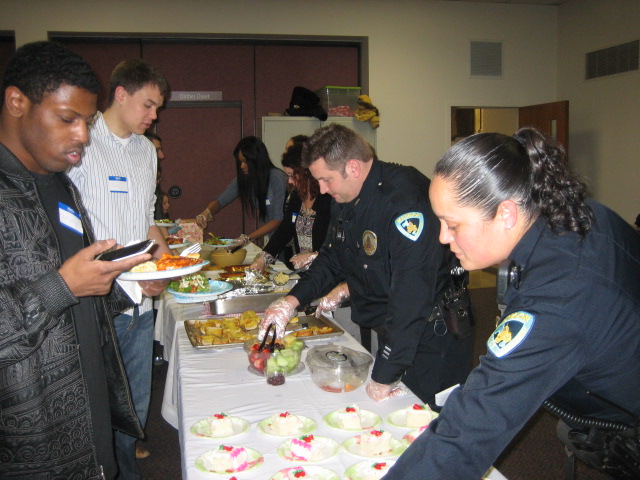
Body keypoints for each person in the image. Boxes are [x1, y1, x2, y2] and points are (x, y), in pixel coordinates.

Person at [385, 128, 640, 479]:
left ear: (506, 214)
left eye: (453, 224)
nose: (443, 237)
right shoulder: (578, 214)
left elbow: (474, 424)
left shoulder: (560, 298)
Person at [0, 41, 152, 479]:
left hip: (91, 424)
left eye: (86, 121)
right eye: (67, 119)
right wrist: (61, 287)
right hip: (32, 447)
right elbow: (62, 288)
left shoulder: (62, 187)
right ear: (17, 102)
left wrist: (124, 283)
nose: (83, 136)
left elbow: (82, 294)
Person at [258, 124, 474, 405]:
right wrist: (290, 301)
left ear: (353, 168)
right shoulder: (347, 195)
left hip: (431, 334)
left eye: (326, 180)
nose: (321, 190)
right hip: (394, 328)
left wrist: (384, 374)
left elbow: (411, 297)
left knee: (427, 426)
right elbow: (332, 258)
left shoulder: (405, 201)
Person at [68, 58, 171, 479]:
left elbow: (148, 218)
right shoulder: (82, 139)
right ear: (121, 94)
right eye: (148, 105)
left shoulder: (147, 152)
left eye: (157, 108)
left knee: (135, 411)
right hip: (96, 302)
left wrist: (163, 266)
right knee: (98, 411)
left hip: (140, 307)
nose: (153, 116)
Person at [250, 142, 332, 271]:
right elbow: (285, 230)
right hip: (304, 272)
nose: (289, 181)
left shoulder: (328, 198)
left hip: (326, 271)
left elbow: (334, 243)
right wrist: (263, 258)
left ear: (307, 173)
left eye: (292, 175)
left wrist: (314, 256)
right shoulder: (297, 196)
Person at [196, 136, 287, 248]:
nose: (242, 166)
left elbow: (278, 219)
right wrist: (206, 213)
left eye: (245, 161)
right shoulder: (244, 179)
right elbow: (221, 200)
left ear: (256, 159)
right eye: (240, 162)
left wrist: (247, 238)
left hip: (286, 240)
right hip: (273, 238)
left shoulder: (277, 177)